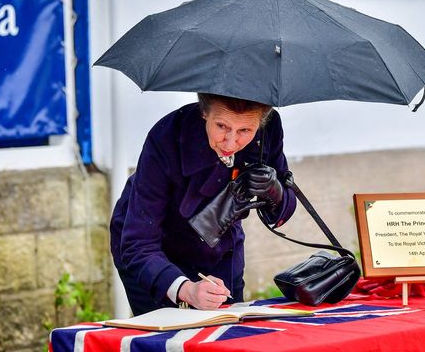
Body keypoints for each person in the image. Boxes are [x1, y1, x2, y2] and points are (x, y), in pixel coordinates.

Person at [110, 93, 296, 314]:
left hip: (221, 240)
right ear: (204, 111)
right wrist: (186, 290)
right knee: (168, 339)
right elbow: (138, 244)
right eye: (221, 126)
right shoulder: (166, 136)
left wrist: (275, 192)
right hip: (153, 245)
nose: (230, 142)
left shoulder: (268, 130)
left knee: (226, 333)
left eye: (244, 130)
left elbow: (282, 212)